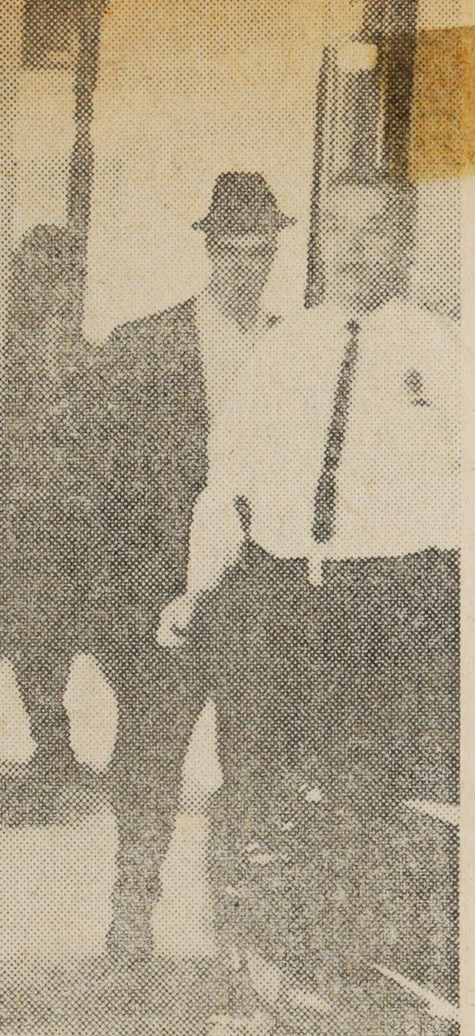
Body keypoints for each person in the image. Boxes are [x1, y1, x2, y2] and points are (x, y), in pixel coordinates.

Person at [158, 173, 462, 980]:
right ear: (321, 240)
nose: (355, 250)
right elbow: (227, 487)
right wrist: (198, 587)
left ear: (405, 245)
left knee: (366, 803)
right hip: (284, 597)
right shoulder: (282, 349)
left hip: (397, 604)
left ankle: (352, 989)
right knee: (259, 789)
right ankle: (261, 983)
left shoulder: (446, 351)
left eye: (374, 233)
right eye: (340, 231)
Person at [87, 171, 291, 960]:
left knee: (254, 763)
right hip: (158, 595)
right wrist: (118, 610)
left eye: (263, 252)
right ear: (209, 248)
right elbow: (103, 490)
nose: (250, 267)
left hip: (257, 597)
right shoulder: (144, 345)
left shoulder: (296, 347)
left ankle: (242, 937)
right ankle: (132, 906)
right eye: (236, 251)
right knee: (148, 759)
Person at [0, 224, 99, 819]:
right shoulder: (3, 362)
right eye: (44, 279)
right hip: (11, 522)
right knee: (14, 640)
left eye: (68, 280)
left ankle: (53, 750)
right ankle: (45, 748)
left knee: (48, 642)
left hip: (63, 525)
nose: (58, 293)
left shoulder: (88, 361)